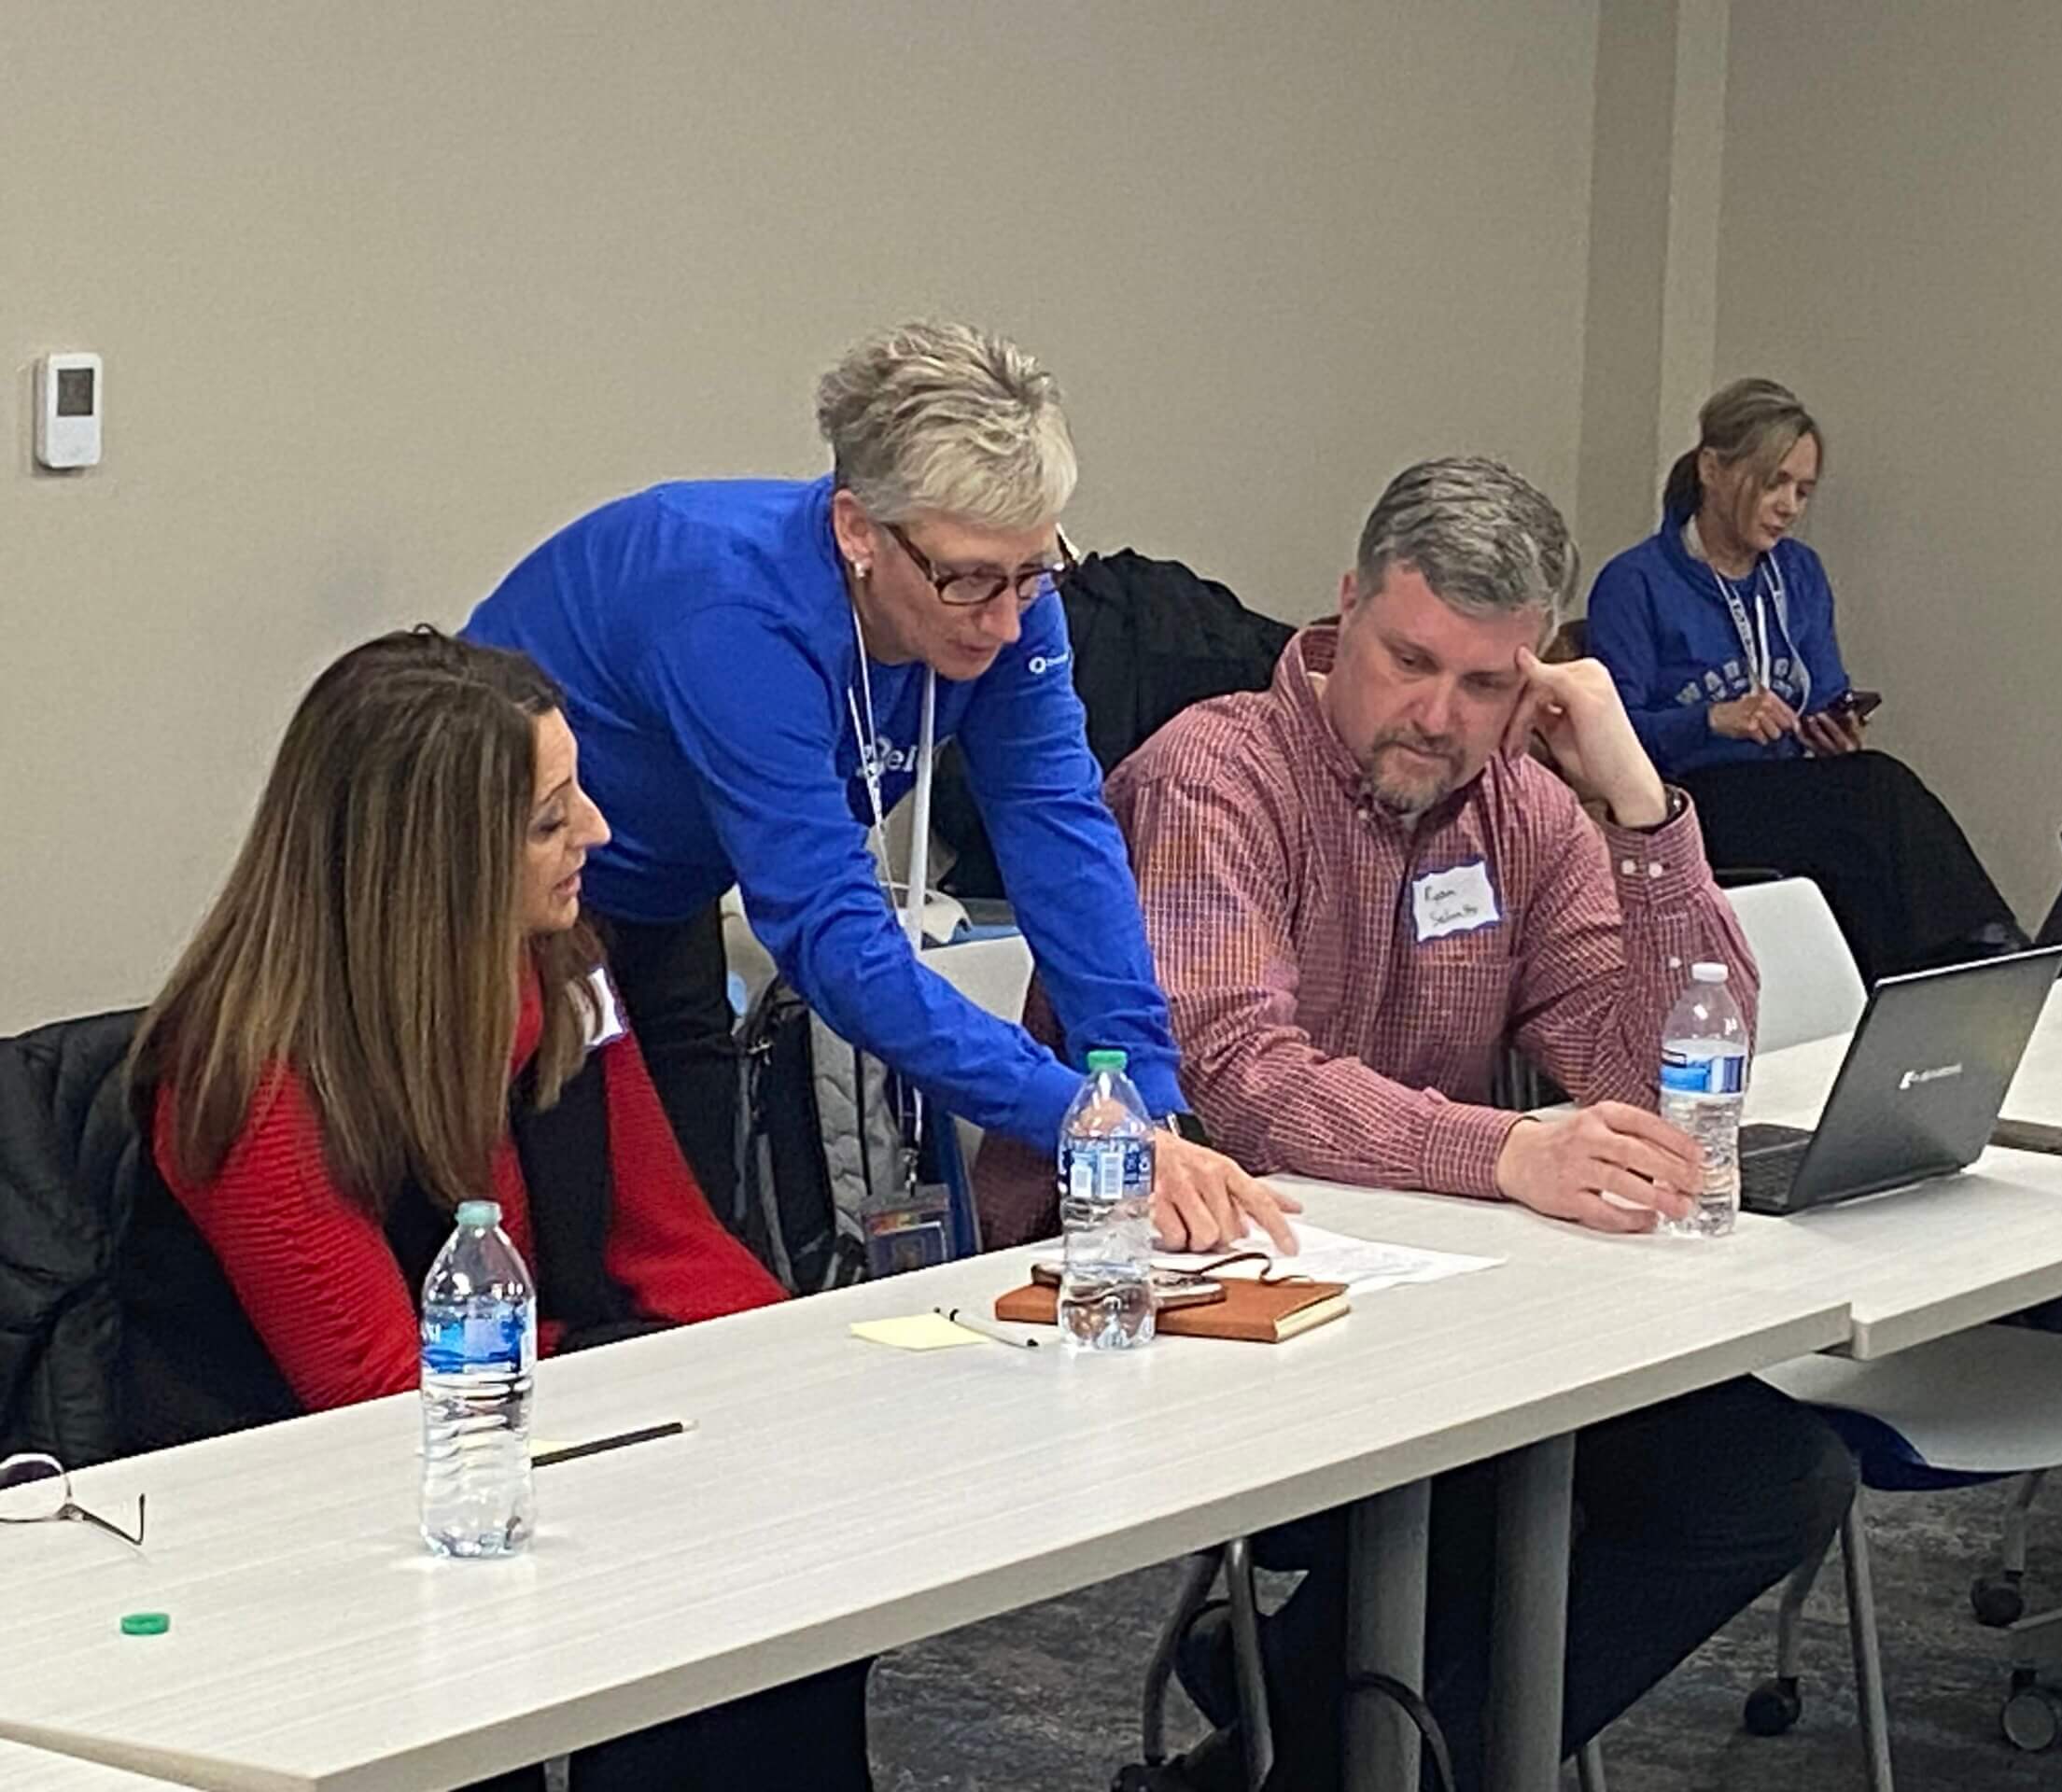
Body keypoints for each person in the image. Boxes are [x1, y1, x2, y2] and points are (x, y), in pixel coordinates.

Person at [998, 458, 1854, 1789]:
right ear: (1344, 615)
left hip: (1436, 1290)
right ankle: (1328, 1724)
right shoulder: (1213, 778)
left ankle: (1303, 1737)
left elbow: (1669, 1069)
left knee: (1768, 1476)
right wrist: (1504, 1150)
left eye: (1488, 685)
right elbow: (1240, 1083)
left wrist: (1638, 805)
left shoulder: (1522, 808)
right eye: (1410, 662)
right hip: (1188, 1288)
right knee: (1509, 1495)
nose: (1437, 716)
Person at [124, 629, 871, 1792]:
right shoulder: (252, 1076)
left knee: (794, 1593)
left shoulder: (558, 971)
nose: (600, 837)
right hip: (319, 1549)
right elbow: (386, 1399)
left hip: (544, 1439)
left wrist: (796, 1380)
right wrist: (645, 1393)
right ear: (434, 859)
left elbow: (665, 1241)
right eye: (547, 820)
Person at [461, 319, 1291, 1254]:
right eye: (969, 581)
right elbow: (829, 934)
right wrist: (1080, 1119)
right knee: (559, 1255)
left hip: (667, 895)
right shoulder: (735, 614)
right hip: (496, 907)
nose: (1008, 625)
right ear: (859, 529)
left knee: (698, 1244)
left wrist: (1146, 1099)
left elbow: (1061, 837)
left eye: (1034, 573)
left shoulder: (1007, 608)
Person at [1583, 377, 2025, 983]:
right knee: (1878, 791)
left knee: (1865, 818)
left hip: (1795, 791)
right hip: (1696, 800)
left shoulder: (1800, 575)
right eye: (1773, 484)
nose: (1789, 506)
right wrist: (1712, 719)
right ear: (1713, 469)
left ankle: (1935, 981)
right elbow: (1609, 738)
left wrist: (1832, 731)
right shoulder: (1636, 583)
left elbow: (1821, 688)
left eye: (1803, 491)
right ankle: (1986, 952)